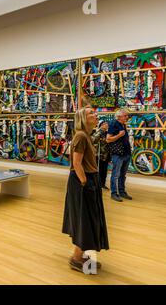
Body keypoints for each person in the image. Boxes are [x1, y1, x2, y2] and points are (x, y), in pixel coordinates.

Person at [62, 107, 109, 274]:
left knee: (88, 219)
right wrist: (85, 182)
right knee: (85, 220)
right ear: (83, 118)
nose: (95, 115)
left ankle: (79, 255)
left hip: (88, 180)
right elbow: (76, 163)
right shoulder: (81, 136)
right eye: (91, 113)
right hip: (83, 181)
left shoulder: (86, 135)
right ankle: (76, 259)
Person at [107, 109, 133, 202]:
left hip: (126, 153)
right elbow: (108, 139)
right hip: (118, 154)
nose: (127, 117)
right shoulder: (113, 123)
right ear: (119, 116)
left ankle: (122, 191)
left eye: (127, 116)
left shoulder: (123, 124)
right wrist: (119, 135)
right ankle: (114, 193)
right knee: (116, 174)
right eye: (125, 116)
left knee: (123, 174)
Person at [91, 121, 110, 189]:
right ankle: (96, 184)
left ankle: (102, 184)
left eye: (107, 124)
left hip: (106, 155)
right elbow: (93, 140)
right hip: (99, 155)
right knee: (98, 170)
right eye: (105, 124)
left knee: (104, 171)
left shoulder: (107, 133)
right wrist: (100, 131)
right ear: (101, 125)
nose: (107, 125)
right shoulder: (99, 132)